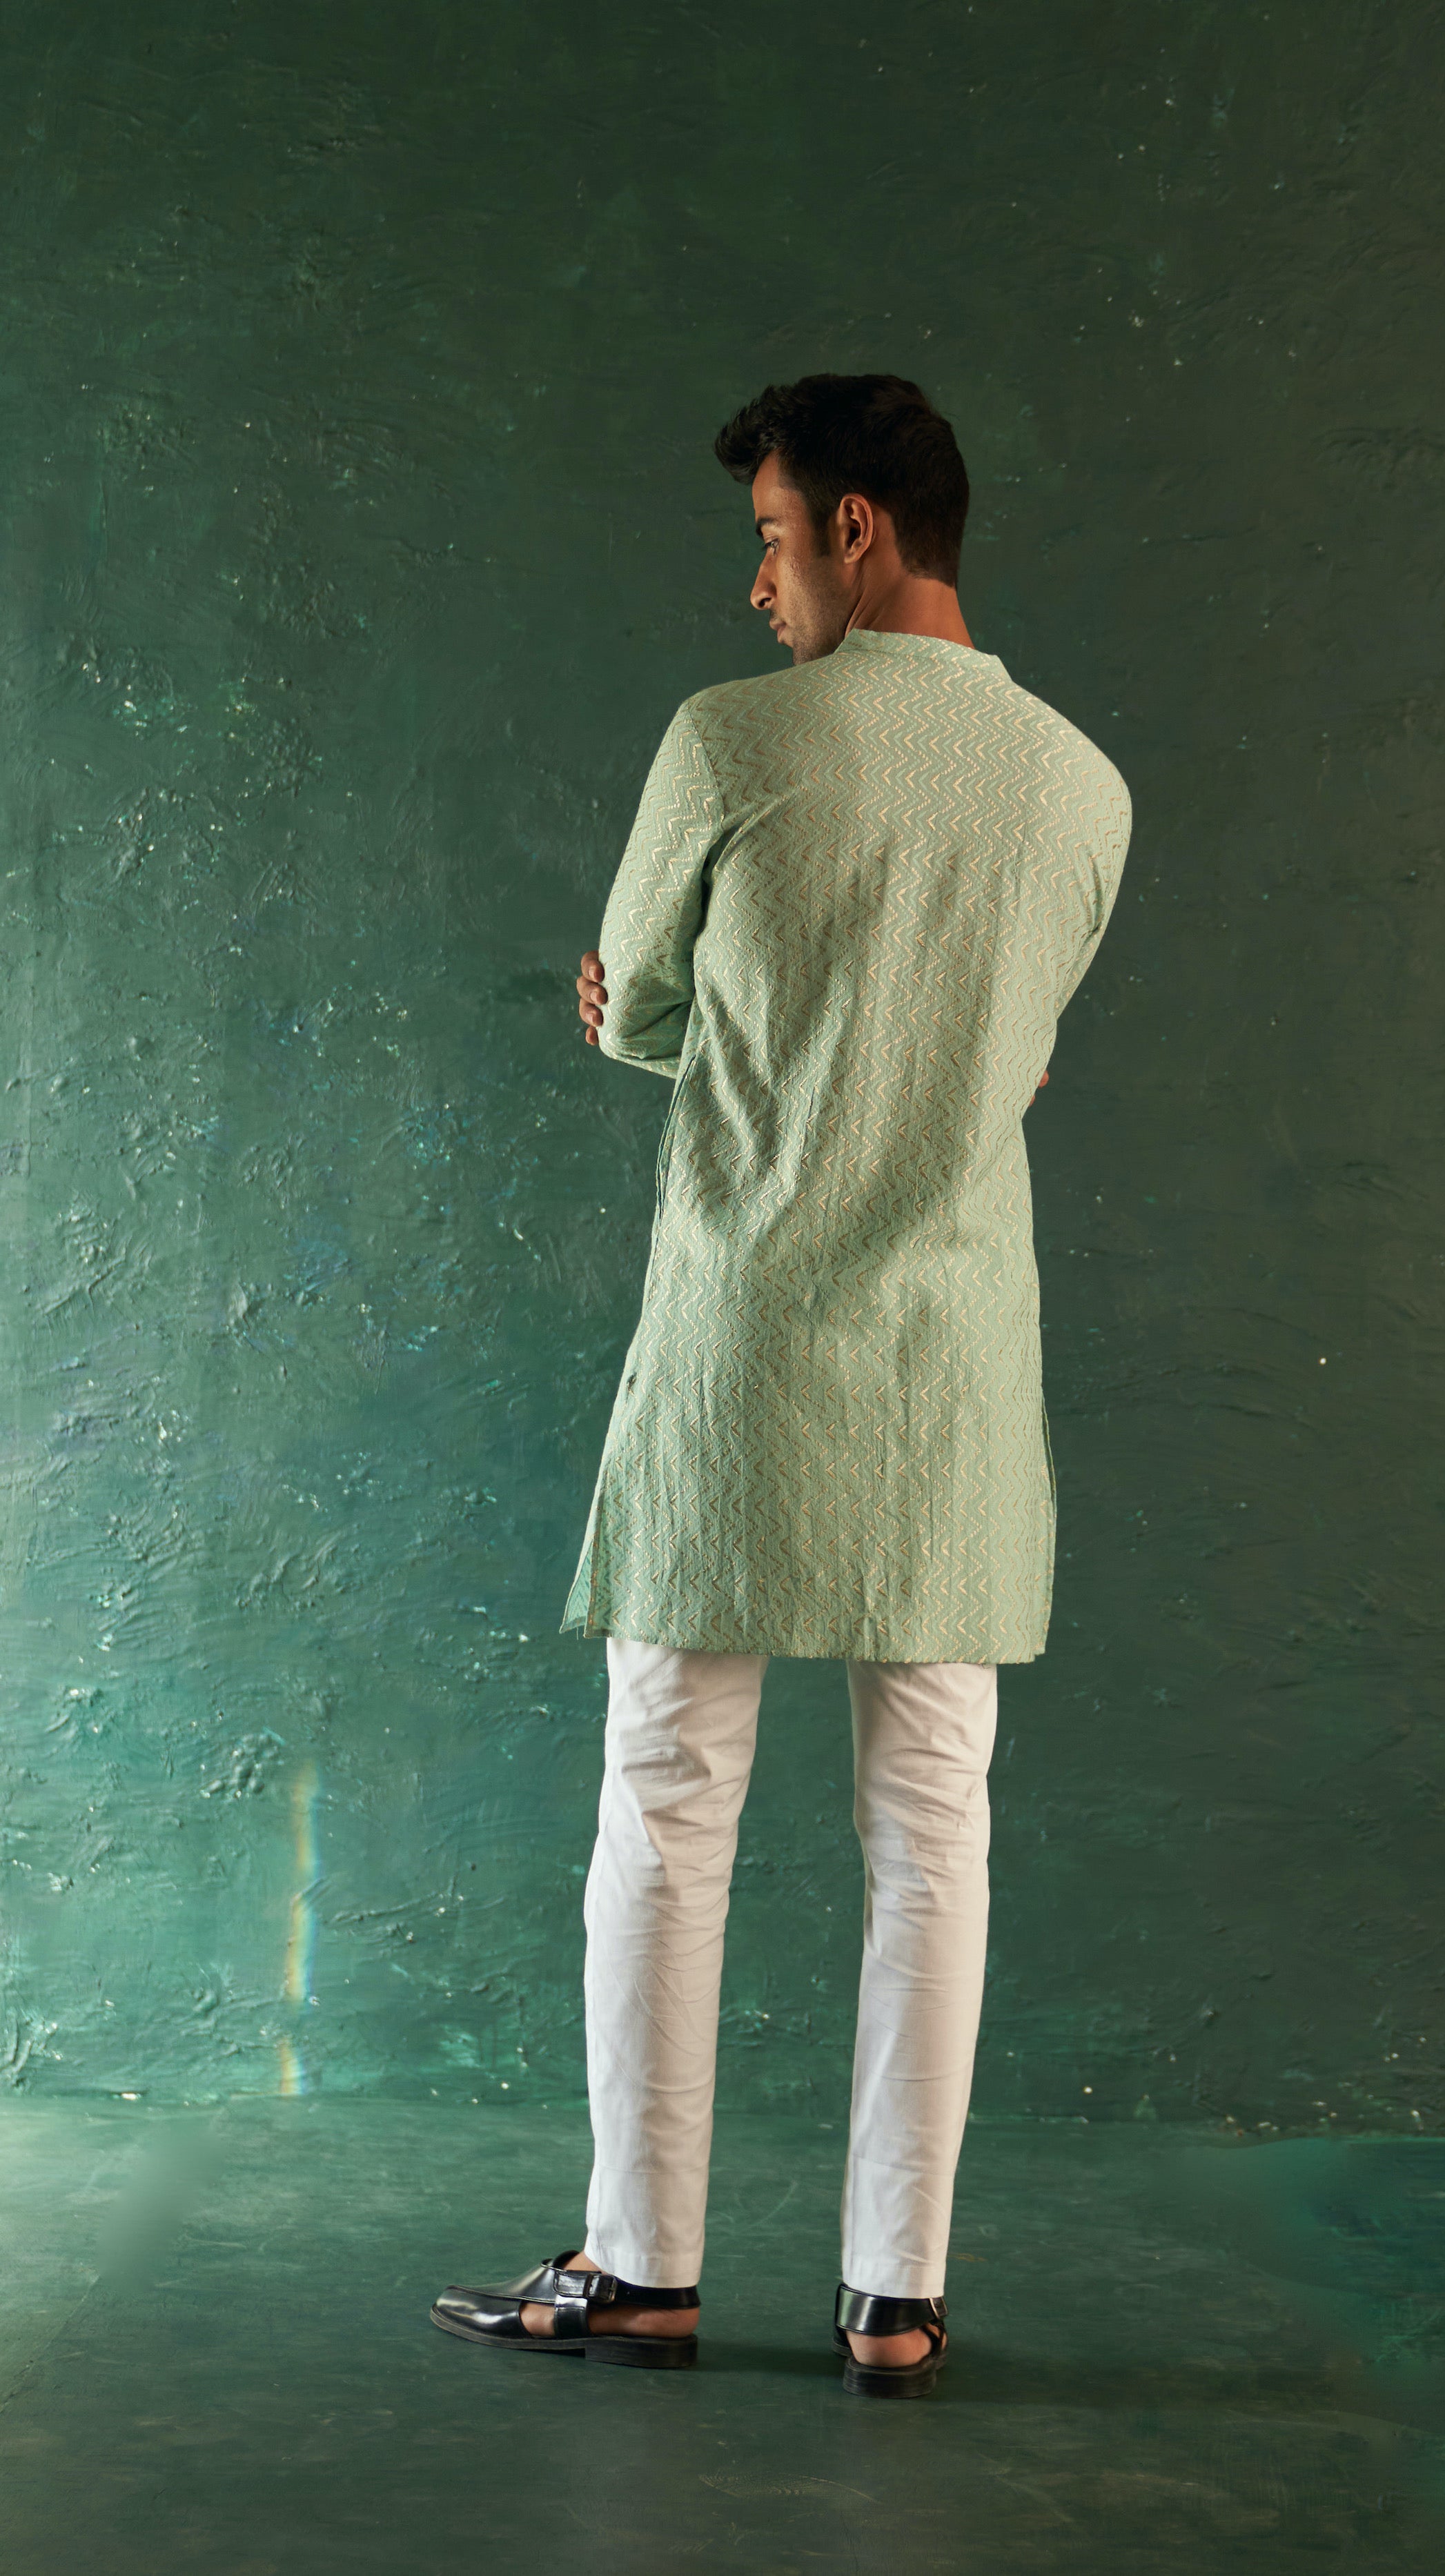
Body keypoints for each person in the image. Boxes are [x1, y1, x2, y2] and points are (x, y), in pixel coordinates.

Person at [433, 373, 1132, 2397]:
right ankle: (896, 2299)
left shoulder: (731, 743)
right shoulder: (1084, 793)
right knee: (935, 1819)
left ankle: (644, 2266)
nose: (756, 587)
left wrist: (649, 1025)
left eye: (767, 537)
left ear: (854, 529)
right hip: (951, 1363)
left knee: (671, 1796)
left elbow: (643, 999)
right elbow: (1010, 1065)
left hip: (743, 1342)